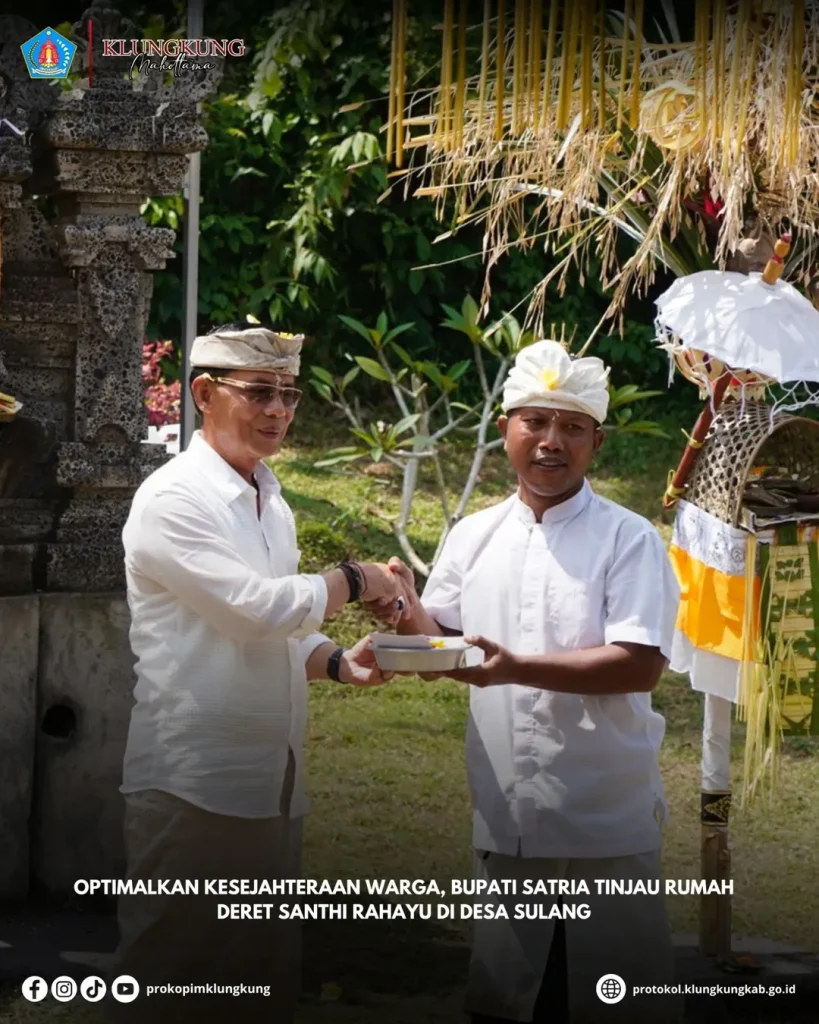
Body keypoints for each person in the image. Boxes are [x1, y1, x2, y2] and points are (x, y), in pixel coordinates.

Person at [110, 321, 410, 1023]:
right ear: (204, 394)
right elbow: (254, 612)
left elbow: (281, 629)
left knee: (260, 981)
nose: (278, 410)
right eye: (258, 392)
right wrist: (355, 577)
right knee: (171, 983)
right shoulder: (173, 499)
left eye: (288, 394)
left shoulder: (267, 496)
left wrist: (339, 663)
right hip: (194, 783)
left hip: (273, 781)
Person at [384, 339, 682, 1023]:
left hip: (601, 817)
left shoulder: (629, 539)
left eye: (572, 427)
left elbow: (639, 664)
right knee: (508, 1001)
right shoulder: (475, 534)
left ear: (595, 443)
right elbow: (447, 643)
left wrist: (515, 667)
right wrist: (403, 608)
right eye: (536, 422)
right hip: (507, 811)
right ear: (504, 430)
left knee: (612, 1000)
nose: (551, 441)